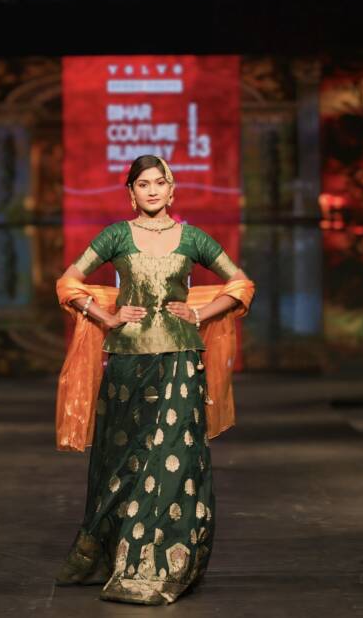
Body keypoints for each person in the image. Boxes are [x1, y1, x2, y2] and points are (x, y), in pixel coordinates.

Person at [52, 155, 255, 605]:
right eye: (142, 184)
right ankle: (106, 549)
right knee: (123, 460)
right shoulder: (116, 235)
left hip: (180, 360)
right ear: (131, 192)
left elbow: (241, 284)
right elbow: (68, 281)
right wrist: (106, 316)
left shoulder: (193, 238)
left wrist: (200, 313)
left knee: (173, 458)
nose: (151, 190)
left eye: (159, 183)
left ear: (172, 189)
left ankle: (159, 566)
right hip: (127, 362)